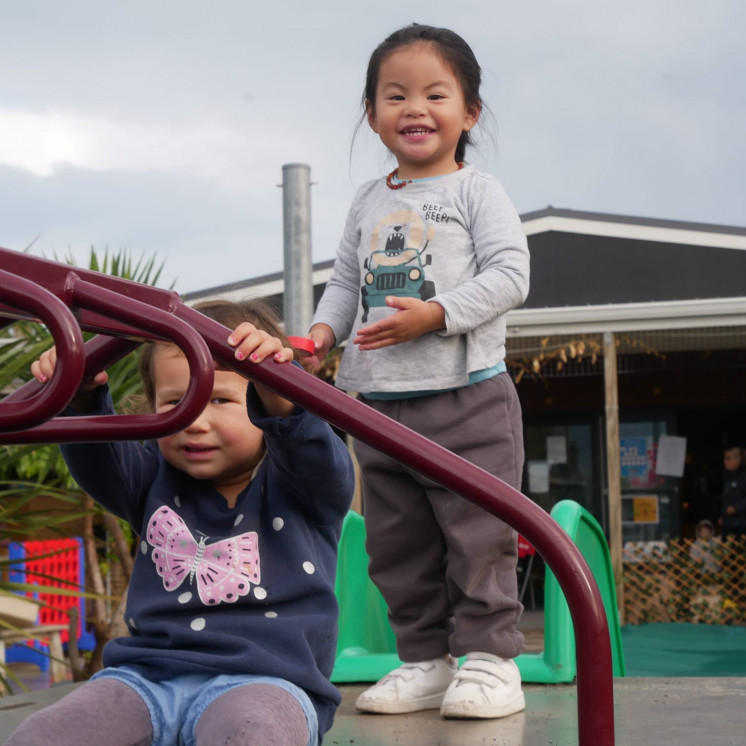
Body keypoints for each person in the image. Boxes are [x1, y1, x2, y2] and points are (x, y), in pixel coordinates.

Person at [308, 23, 530, 720]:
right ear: (372, 115)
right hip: (376, 404)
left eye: (436, 94)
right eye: (394, 94)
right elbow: (345, 283)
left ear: (469, 113)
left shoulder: (476, 192)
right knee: (397, 543)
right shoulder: (369, 201)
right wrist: (321, 334)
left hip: (466, 398)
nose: (414, 108)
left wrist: (434, 316)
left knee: (477, 534)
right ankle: (424, 660)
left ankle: (492, 660)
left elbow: (511, 275)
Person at [9, 299, 355, 746]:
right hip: (145, 677)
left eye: (221, 399)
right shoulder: (151, 477)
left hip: (266, 679)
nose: (194, 421)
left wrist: (282, 393)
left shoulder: (303, 485)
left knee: (254, 734)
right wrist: (81, 396)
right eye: (177, 401)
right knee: (45, 735)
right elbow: (99, 459)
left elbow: (315, 455)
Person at [720, 446, 746, 541]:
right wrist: (724, 516)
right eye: (724, 458)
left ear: (737, 459)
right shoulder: (727, 476)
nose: (725, 461)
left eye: (728, 459)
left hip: (742, 525)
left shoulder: (743, 476)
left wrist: (736, 508)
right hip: (728, 524)